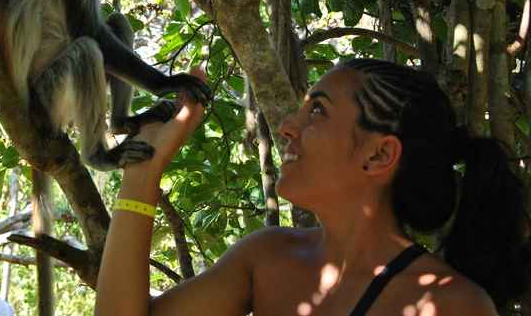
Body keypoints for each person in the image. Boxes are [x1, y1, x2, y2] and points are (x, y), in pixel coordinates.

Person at [94, 60, 530, 316]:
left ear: (379, 155)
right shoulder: (265, 257)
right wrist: (142, 176)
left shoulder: (450, 304)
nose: (286, 127)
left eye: (317, 112)